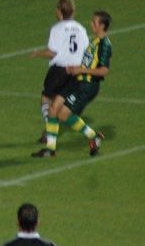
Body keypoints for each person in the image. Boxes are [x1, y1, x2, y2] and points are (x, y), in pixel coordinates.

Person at [33, 11, 111, 158]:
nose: (91, 24)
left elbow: (104, 71)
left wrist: (80, 69)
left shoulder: (105, 45)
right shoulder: (94, 41)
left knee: (62, 113)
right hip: (77, 80)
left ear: (102, 26)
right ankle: (50, 149)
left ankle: (93, 136)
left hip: (87, 86)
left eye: (94, 22)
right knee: (53, 108)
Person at [29, 0, 88, 145]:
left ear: (60, 12)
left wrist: (37, 53)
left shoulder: (56, 29)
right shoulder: (81, 29)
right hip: (74, 71)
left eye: (56, 9)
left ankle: (49, 129)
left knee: (46, 98)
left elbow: (52, 53)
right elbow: (87, 51)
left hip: (59, 70)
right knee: (59, 104)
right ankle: (48, 136)